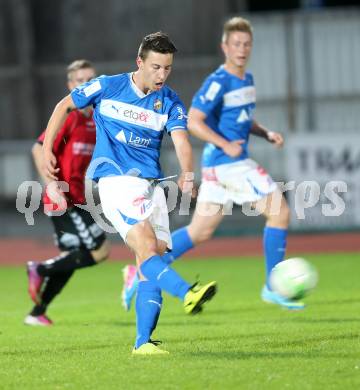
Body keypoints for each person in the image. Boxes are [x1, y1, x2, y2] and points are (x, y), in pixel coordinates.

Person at [42, 32, 217, 355]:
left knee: (155, 255)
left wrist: (189, 175)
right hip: (116, 183)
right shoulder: (108, 86)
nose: (162, 75)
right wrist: (48, 150)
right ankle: (188, 293)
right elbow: (64, 105)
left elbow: (181, 141)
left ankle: (143, 343)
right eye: (155, 67)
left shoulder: (171, 102)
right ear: (139, 62)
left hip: (150, 187)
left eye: (167, 68)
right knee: (149, 247)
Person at [122, 17, 305, 311]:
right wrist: (224, 144)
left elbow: (241, 119)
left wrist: (264, 133)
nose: (241, 49)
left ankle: (144, 267)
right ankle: (274, 287)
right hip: (229, 163)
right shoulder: (219, 81)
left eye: (246, 44)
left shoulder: (247, 80)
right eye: (236, 44)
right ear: (225, 47)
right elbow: (194, 121)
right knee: (280, 212)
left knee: (200, 231)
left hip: (222, 166)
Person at [25, 60, 110, 326]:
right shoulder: (71, 117)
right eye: (80, 80)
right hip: (63, 199)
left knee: (72, 259)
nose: (87, 84)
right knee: (99, 252)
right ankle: (39, 268)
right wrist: (51, 185)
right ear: (70, 86)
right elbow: (38, 148)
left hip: (76, 198)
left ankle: (37, 313)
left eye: (91, 79)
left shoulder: (95, 119)